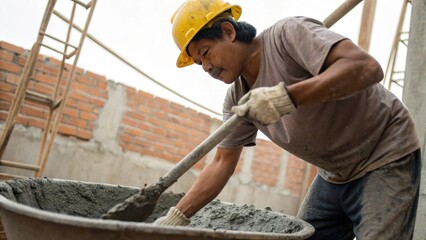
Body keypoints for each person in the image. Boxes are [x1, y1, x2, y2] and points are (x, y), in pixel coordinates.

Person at [155, 0, 421, 239]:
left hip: (384, 154)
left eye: (205, 52)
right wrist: (178, 216)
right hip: (334, 175)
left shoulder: (287, 35)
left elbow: (367, 68)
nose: (206, 67)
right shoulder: (238, 99)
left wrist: (287, 97)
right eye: (198, 62)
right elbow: (222, 163)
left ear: (228, 31)